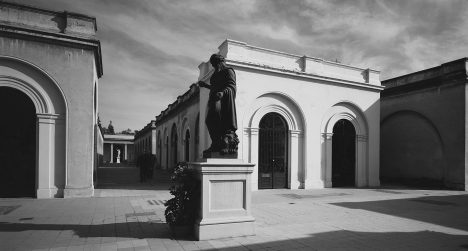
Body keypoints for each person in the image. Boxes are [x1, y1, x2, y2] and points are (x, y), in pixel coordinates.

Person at [198, 54, 239, 156]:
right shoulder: (216, 74)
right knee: (209, 121)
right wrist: (206, 86)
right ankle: (216, 143)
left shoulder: (228, 71)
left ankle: (225, 143)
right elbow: (215, 87)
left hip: (223, 101)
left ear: (219, 62)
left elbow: (231, 86)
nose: (214, 67)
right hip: (214, 99)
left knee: (217, 119)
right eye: (213, 65)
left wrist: (222, 93)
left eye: (214, 64)